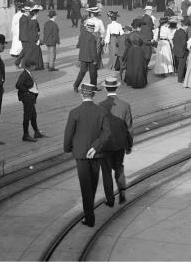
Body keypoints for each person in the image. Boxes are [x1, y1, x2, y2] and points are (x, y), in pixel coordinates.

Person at [63, 82, 111, 227]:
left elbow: (68, 134)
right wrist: (96, 146)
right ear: (94, 95)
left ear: (81, 94)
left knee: (85, 186)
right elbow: (107, 132)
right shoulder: (101, 111)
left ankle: (89, 217)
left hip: (81, 154)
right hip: (96, 154)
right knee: (93, 183)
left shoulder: (74, 112)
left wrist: (67, 148)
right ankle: (89, 212)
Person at [99, 75, 133, 206]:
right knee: (119, 166)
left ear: (106, 88)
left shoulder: (100, 106)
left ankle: (110, 198)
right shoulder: (125, 105)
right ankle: (122, 191)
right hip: (120, 143)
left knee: (106, 171)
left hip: (105, 145)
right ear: (117, 87)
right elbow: (129, 127)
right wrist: (129, 145)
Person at [15, 52, 45, 142]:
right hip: (27, 98)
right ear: (30, 66)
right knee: (27, 116)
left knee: (33, 115)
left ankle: (36, 132)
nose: (35, 67)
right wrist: (27, 92)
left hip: (31, 98)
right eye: (34, 65)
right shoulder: (24, 74)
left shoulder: (28, 73)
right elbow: (18, 85)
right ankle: (25, 134)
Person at [74, 18, 101, 92]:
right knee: (93, 73)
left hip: (83, 57)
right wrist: (95, 59)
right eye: (93, 28)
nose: (93, 30)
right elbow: (93, 50)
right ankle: (93, 87)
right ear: (91, 28)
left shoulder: (82, 34)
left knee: (82, 72)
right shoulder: (92, 37)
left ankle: (76, 85)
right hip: (91, 58)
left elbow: (78, 45)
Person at [123, 21, 149, 89]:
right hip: (139, 51)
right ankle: (138, 83)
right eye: (140, 27)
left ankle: (130, 81)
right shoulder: (140, 34)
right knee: (139, 66)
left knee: (131, 66)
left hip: (131, 50)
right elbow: (144, 43)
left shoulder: (129, 35)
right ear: (138, 27)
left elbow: (126, 44)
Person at [25, 6, 46, 71]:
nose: (38, 15)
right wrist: (37, 39)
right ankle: (36, 66)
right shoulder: (32, 21)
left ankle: (35, 65)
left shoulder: (31, 19)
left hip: (31, 39)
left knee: (34, 52)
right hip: (34, 39)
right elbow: (34, 31)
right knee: (35, 53)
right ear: (35, 13)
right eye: (37, 13)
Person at [171, 18, 188, 84]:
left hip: (176, 51)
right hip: (182, 52)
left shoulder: (177, 31)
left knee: (179, 65)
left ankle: (183, 76)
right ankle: (180, 79)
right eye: (187, 26)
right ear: (185, 26)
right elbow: (184, 44)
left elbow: (173, 40)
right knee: (182, 66)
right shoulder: (184, 33)